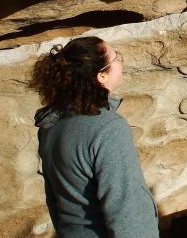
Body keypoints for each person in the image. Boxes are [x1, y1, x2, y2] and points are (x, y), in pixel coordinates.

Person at [29, 37, 159, 238]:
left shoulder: (50, 126)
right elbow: (127, 210)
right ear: (101, 76)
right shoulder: (108, 128)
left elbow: (54, 201)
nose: (121, 62)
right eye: (116, 58)